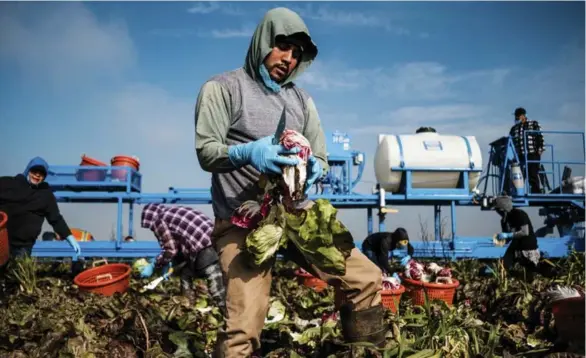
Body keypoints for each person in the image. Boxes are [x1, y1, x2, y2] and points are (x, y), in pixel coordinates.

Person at [195, 7, 385, 357]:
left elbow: (323, 158)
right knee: (243, 326)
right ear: (263, 42)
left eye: (297, 53)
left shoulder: (301, 100)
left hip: (296, 216)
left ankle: (365, 350)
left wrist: (315, 167)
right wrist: (247, 153)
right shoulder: (223, 89)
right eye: (282, 46)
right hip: (243, 223)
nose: (289, 58)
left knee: (366, 279)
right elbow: (206, 151)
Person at [138, 203, 226, 314]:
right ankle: (188, 305)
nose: (153, 229)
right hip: (216, 241)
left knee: (217, 290)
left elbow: (170, 250)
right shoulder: (174, 211)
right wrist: (171, 262)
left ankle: (228, 319)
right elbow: (181, 240)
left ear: (150, 220)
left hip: (205, 250)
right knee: (186, 274)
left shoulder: (158, 220)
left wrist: (154, 264)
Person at [0, 157, 81, 258]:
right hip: (3, 240)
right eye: (34, 171)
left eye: (41, 173)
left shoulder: (46, 194)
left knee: (18, 272)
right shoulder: (9, 183)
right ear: (28, 170)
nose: (37, 175)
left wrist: (69, 237)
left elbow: (55, 218)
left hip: (23, 247)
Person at [492, 196, 540, 282]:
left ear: (503, 209)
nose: (497, 212)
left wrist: (508, 235)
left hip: (527, 248)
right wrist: (501, 239)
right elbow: (508, 237)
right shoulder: (504, 220)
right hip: (515, 247)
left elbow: (525, 232)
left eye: (498, 209)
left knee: (530, 272)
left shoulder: (519, 214)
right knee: (505, 265)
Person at [509, 107, 545, 194]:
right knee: (520, 175)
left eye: (517, 117)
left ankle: (536, 191)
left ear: (523, 116)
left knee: (533, 174)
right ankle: (518, 192)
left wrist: (540, 149)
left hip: (532, 153)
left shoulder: (533, 124)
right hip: (520, 155)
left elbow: (540, 137)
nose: (516, 119)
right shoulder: (514, 128)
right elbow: (510, 141)